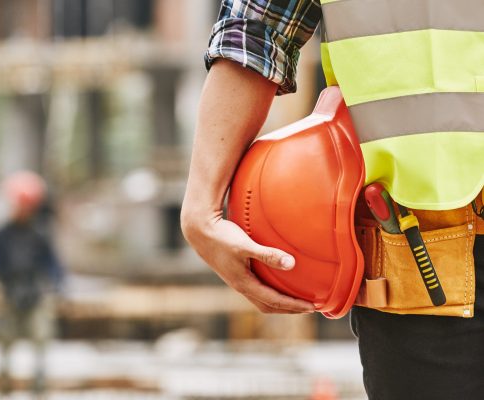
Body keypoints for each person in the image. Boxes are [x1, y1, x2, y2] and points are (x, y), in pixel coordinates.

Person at [181, 1, 484, 399]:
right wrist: (201, 207)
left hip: (422, 259)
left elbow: (258, 29)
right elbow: (259, 30)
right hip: (422, 259)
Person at [0, 171, 64, 395]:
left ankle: (39, 379)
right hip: (9, 291)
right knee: (5, 336)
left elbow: (52, 263)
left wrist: (58, 283)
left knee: (41, 335)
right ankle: (4, 378)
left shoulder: (39, 235)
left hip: (35, 292)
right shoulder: (1, 235)